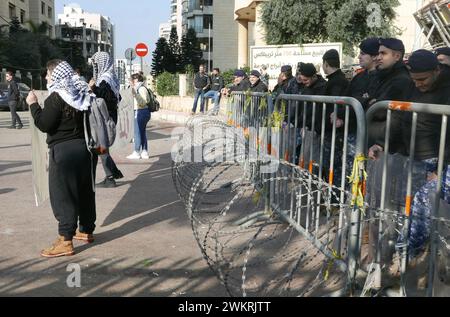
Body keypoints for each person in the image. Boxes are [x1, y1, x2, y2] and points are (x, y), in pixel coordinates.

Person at [26, 60, 96, 257]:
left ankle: (65, 240)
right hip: (84, 150)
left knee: (63, 196)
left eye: (48, 74)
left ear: (56, 75)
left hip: (63, 153)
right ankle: (86, 230)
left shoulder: (56, 97)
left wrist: (33, 105)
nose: (47, 78)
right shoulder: (83, 92)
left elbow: (44, 124)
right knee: (84, 192)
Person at [367, 38, 413, 147]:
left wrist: (373, 103)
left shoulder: (401, 80)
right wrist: (371, 102)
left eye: (383, 53)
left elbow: (380, 111)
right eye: (378, 53)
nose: (378, 57)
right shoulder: (383, 76)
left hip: (390, 147)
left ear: (397, 56)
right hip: (378, 142)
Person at [89, 52, 124, 188]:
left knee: (100, 147)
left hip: (104, 117)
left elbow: (107, 98)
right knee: (100, 147)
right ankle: (112, 173)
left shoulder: (105, 79)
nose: (95, 67)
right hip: (108, 116)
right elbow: (117, 98)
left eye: (96, 64)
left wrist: (93, 88)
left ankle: (110, 177)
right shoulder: (111, 78)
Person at [127, 73, 151, 160]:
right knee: (142, 132)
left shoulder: (141, 89)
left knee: (137, 133)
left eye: (132, 80)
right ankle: (144, 152)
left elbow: (143, 102)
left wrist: (135, 94)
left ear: (136, 80)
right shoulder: (138, 88)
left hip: (140, 111)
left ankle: (136, 152)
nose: (130, 82)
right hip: (142, 111)